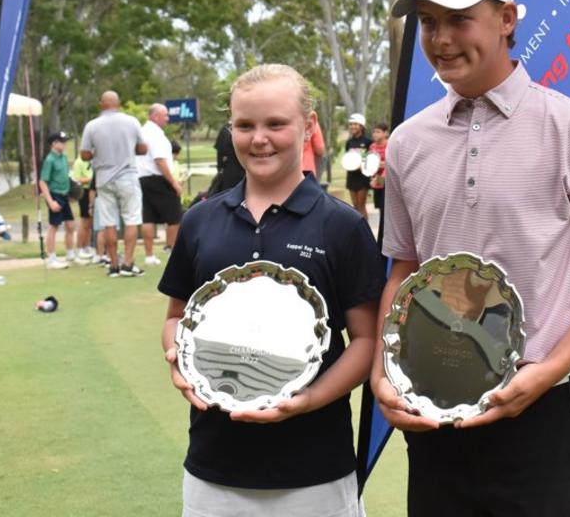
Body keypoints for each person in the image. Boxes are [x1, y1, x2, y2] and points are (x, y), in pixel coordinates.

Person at [370, 0, 570, 516]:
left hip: (545, 411)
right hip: (434, 407)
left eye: (458, 19)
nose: (440, 39)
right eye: (427, 22)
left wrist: (549, 369)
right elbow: (405, 268)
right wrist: (383, 370)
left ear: (506, 19)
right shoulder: (407, 142)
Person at [158, 64, 383, 516]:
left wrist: (307, 401)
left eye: (276, 123)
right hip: (214, 467)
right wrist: (181, 363)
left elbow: (366, 340)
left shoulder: (342, 225)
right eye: (245, 125)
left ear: (308, 126)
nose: (259, 138)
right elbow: (176, 317)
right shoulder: (202, 220)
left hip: (315, 470)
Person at [80, 91, 148, 278]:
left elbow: (84, 154)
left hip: (104, 178)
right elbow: (143, 149)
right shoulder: (132, 122)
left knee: (109, 223)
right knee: (131, 219)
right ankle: (128, 263)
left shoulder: (92, 125)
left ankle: (114, 265)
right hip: (127, 175)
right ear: (118, 103)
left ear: (102, 104)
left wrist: (99, 152)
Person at [137, 103, 184, 266]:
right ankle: (171, 249)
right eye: (165, 115)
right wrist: (174, 182)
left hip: (142, 178)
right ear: (155, 116)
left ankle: (149, 256)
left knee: (148, 218)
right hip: (157, 178)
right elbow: (159, 160)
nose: (167, 119)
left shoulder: (142, 131)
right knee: (175, 215)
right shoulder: (155, 134)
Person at [38, 131, 76, 270]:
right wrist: (50, 201)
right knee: (54, 226)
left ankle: (70, 254)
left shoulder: (64, 158)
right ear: (54, 143)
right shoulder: (49, 160)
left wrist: (70, 193)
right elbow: (42, 182)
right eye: (62, 141)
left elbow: (65, 177)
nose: (64, 144)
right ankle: (52, 258)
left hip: (65, 195)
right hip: (54, 195)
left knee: (71, 225)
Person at [344, 113, 371, 219]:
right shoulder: (349, 142)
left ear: (361, 126)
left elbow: (371, 160)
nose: (352, 127)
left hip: (362, 177)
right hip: (351, 176)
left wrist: (363, 165)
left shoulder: (368, 141)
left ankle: (366, 232)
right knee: (355, 205)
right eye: (351, 124)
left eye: (355, 124)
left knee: (361, 205)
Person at [70, 153, 95, 259]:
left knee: (90, 223)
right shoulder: (79, 162)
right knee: (84, 221)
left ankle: (87, 246)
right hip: (84, 192)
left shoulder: (92, 161)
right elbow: (76, 179)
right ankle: (80, 248)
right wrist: (90, 179)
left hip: (92, 190)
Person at [211, 122, 245, 194]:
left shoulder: (224, 130)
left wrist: (220, 168)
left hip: (229, 170)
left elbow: (220, 154)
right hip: (241, 171)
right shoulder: (245, 129)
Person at [368, 122, 388, 223]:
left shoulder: (389, 145)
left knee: (387, 210)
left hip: (386, 183)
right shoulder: (372, 147)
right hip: (376, 183)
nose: (375, 134)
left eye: (378, 132)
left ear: (385, 133)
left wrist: (380, 164)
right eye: (374, 132)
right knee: (380, 209)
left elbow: (390, 164)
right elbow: (370, 164)